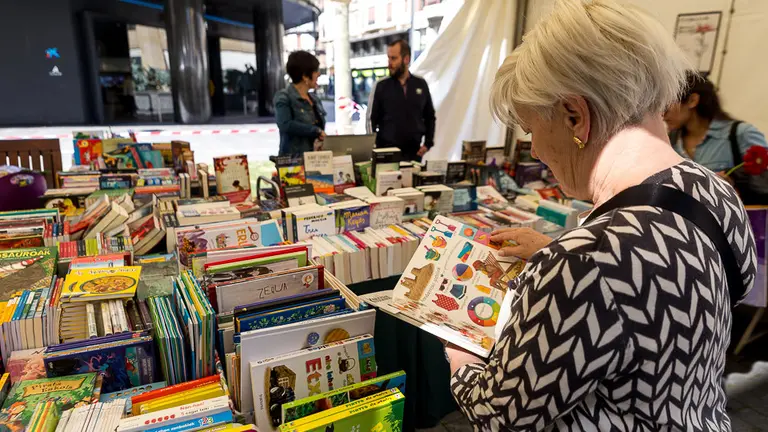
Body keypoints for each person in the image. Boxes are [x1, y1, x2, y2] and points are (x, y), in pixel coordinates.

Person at [445, 0, 756, 430]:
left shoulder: (585, 262)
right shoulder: (714, 189)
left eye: (533, 130)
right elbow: (691, 294)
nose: (534, 150)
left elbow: (501, 415)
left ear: (576, 116)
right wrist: (558, 255)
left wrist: (459, 349)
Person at [664, 71, 768, 204]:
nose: (662, 114)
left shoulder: (740, 133)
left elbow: (764, 183)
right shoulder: (669, 141)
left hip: (734, 221)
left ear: (692, 100)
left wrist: (732, 182)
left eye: (666, 107)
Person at [368, 40, 436, 161]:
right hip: (387, 154)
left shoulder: (420, 84)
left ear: (406, 59)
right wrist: (373, 147)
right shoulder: (381, 86)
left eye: (393, 58)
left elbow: (430, 116)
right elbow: (370, 119)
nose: (389, 63)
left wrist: (428, 143)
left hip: (414, 154)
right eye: (388, 58)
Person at [274, 51, 326, 157]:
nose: (319, 74)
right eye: (316, 71)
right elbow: (286, 124)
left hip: (317, 160)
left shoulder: (315, 100)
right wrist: (316, 131)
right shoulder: (284, 97)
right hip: (293, 164)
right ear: (305, 76)